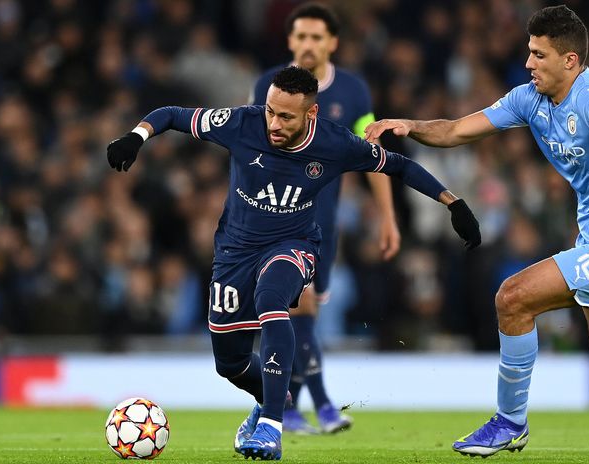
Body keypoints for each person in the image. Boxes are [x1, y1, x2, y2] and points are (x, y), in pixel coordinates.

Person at [366, 5, 589, 458]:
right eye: (528, 53)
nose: (528, 63)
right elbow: (459, 129)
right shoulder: (529, 100)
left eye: (539, 55)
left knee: (513, 297)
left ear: (570, 61)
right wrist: (410, 126)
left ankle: (509, 423)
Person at [107, 65, 481, 461]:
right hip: (235, 251)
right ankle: (274, 395)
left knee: (272, 296)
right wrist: (136, 137)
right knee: (229, 362)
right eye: (271, 110)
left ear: (311, 114)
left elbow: (398, 165)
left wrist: (453, 203)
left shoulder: (336, 144)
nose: (273, 123)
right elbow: (170, 114)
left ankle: (271, 425)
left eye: (286, 116)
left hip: (295, 244)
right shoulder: (241, 123)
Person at [249, 3, 399, 434]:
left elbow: (376, 158)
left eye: (317, 37)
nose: (308, 44)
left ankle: (292, 408)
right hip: (276, 221)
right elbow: (246, 151)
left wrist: (388, 217)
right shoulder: (267, 87)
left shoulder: (353, 92)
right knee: (297, 306)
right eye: (301, 36)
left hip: (324, 224)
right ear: (290, 40)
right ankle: (321, 405)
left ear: (332, 42)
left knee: (305, 315)